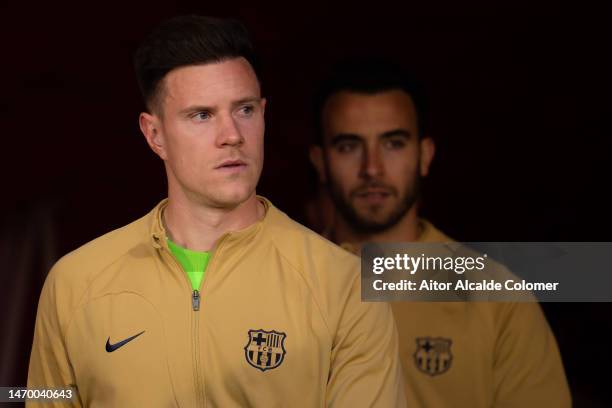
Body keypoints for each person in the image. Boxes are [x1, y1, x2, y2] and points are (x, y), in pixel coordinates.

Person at [27, 17, 406, 407]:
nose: (232, 135)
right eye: (202, 115)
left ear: (263, 113)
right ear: (154, 135)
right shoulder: (73, 284)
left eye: (244, 110)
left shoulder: (344, 286)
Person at [309, 59, 571, 407]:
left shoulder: (498, 300)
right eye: (348, 146)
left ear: (424, 155)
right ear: (320, 161)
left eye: (394, 143)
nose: (371, 168)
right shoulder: (280, 282)